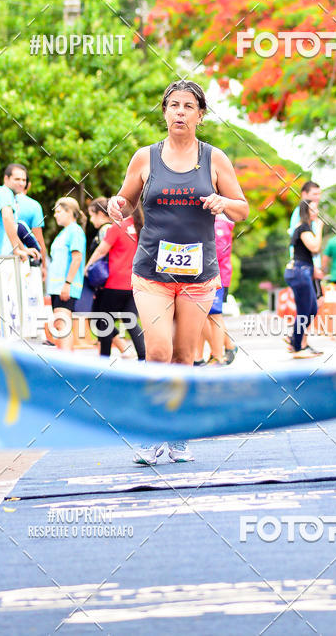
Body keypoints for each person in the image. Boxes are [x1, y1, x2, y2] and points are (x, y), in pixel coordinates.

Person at [107, 79, 249, 465]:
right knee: (158, 350)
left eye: (189, 106)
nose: (180, 112)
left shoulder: (214, 159)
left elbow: (243, 208)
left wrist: (224, 201)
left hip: (199, 275)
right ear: (164, 111)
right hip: (151, 270)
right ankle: (153, 432)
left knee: (185, 357)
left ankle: (179, 432)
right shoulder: (144, 157)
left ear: (201, 115)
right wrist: (116, 206)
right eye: (173, 105)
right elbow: (125, 199)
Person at [84, 203, 146, 361]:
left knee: (103, 320)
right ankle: (143, 357)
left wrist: (88, 266)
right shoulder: (142, 227)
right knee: (130, 320)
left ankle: (104, 359)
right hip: (133, 282)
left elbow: (101, 250)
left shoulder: (118, 227)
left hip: (113, 283)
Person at [194, 214, 237, 365]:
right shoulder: (210, 221)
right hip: (205, 275)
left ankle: (219, 355)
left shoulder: (219, 224)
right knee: (201, 316)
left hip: (216, 277)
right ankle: (199, 356)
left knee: (214, 315)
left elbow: (217, 251)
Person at [286, 200, 323, 358]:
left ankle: (295, 340)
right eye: (313, 209)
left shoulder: (303, 227)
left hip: (303, 270)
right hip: (300, 271)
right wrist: (320, 229)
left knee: (311, 309)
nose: (317, 212)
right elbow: (314, 247)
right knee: (305, 309)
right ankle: (296, 346)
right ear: (306, 211)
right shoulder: (303, 227)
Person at [0, 164, 38, 262]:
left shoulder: (2, 193)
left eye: (24, 180)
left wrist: (22, 249)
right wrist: (16, 249)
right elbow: (7, 217)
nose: (21, 183)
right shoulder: (5, 192)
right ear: (6, 179)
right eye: (17, 179)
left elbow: (11, 227)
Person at [47, 197, 86, 341]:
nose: (55, 215)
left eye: (58, 211)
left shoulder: (75, 231)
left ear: (69, 212)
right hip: (57, 287)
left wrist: (67, 284)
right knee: (59, 325)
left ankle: (67, 359)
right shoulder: (64, 232)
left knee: (63, 326)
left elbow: (77, 259)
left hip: (66, 287)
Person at [289, 181, 323, 295]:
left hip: (308, 266)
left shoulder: (309, 217)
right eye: (314, 194)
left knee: (314, 303)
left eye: (319, 194)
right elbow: (300, 245)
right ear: (304, 194)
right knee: (312, 304)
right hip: (305, 267)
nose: (318, 197)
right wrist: (313, 268)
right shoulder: (301, 216)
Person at [16, 176, 47, 279]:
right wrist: (43, 266)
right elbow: (38, 239)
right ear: (28, 186)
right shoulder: (34, 206)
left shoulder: (2, 200)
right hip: (26, 260)